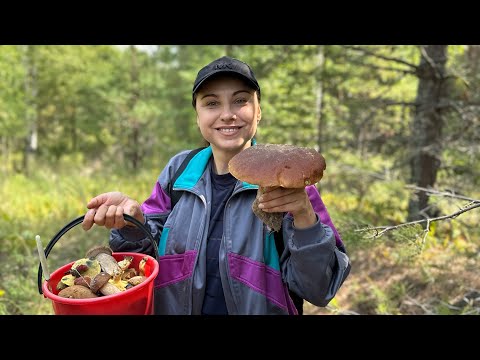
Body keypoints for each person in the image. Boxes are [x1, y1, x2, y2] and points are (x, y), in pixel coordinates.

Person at [82, 56, 351, 315]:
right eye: (211, 103)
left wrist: (305, 217)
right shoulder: (179, 171)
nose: (227, 114)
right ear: (197, 116)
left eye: (240, 101)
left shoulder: (287, 185)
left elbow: (320, 289)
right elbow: (143, 263)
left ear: (258, 111)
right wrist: (133, 224)